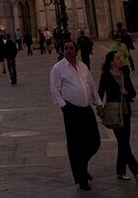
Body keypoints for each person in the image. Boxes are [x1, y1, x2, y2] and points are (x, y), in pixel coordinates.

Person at [50, 40, 101, 192]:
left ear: (76, 50)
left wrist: (98, 103)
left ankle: (82, 167)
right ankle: (81, 178)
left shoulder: (83, 66)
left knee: (94, 142)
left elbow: (91, 86)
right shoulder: (58, 68)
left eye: (71, 48)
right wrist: (64, 107)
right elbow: (54, 89)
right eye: (66, 48)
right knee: (75, 145)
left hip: (86, 109)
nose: (68, 50)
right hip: (71, 110)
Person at [98, 50, 138, 183]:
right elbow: (100, 93)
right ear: (111, 62)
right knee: (124, 143)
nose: (121, 60)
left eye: (121, 58)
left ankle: (120, 171)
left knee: (123, 143)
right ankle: (137, 171)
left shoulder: (125, 74)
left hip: (126, 113)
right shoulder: (106, 76)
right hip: (113, 113)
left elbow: (133, 93)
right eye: (118, 58)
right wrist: (99, 107)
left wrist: (127, 92)